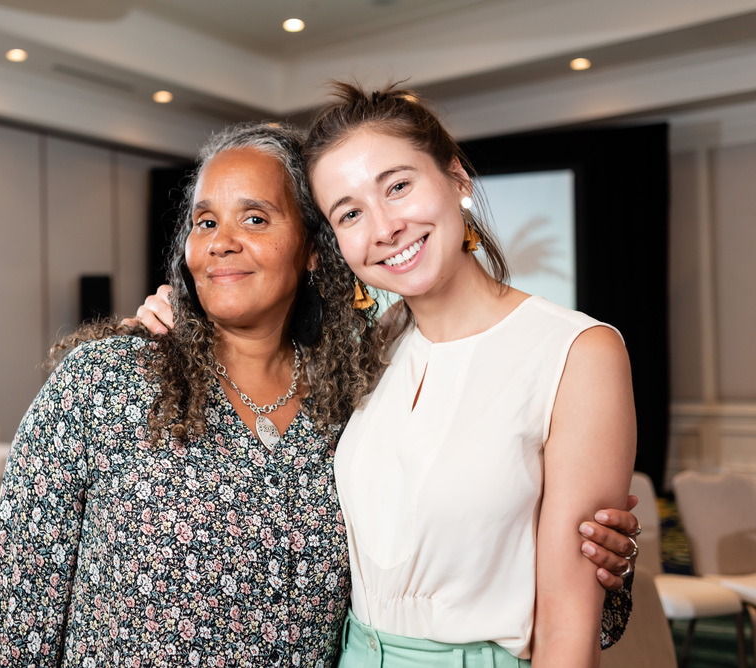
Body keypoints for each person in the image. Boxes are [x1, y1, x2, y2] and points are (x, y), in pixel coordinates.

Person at [0, 121, 636, 668]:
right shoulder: (105, 384)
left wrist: (601, 554)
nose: (221, 243)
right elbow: (13, 612)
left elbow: (456, 531)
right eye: (204, 221)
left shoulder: (353, 392)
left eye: (255, 219)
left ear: (314, 249)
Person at [134, 86, 638, 667]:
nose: (385, 228)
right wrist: (165, 322)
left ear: (456, 179)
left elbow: (569, 632)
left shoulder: (575, 352)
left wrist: (615, 559)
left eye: (398, 186)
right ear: (330, 244)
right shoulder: (367, 351)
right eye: (349, 212)